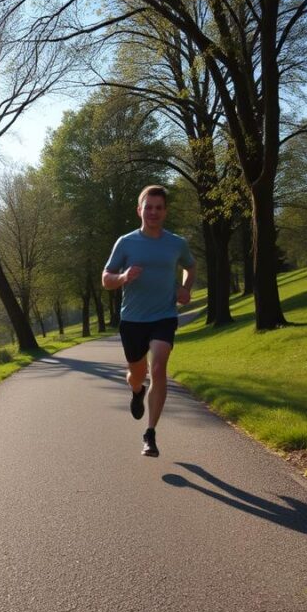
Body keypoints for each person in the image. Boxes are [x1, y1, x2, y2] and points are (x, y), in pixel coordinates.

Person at [102, 185, 195, 457]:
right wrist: (123, 277)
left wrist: (186, 289)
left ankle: (150, 433)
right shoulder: (126, 242)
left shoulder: (177, 243)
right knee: (137, 374)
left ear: (165, 212)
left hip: (164, 316)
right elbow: (106, 279)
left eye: (159, 207)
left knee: (159, 368)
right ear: (139, 210)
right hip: (132, 320)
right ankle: (135, 390)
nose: (153, 212)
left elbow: (190, 266)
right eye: (148, 207)